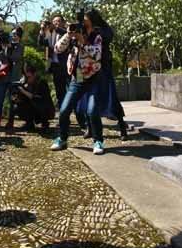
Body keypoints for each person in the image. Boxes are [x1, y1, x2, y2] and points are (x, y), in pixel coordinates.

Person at [50, 11, 106, 155]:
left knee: (92, 111)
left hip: (94, 78)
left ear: (91, 22)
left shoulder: (96, 36)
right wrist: (68, 35)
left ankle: (98, 140)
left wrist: (82, 41)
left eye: (85, 20)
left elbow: (97, 54)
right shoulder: (73, 34)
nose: (82, 23)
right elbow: (57, 49)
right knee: (64, 110)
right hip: (77, 78)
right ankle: (62, 138)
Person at [75, 9, 129, 141]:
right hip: (84, 67)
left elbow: (107, 38)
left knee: (110, 97)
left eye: (86, 18)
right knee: (85, 97)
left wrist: (95, 32)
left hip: (102, 66)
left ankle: (122, 126)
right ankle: (89, 127)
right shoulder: (82, 29)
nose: (84, 20)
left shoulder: (102, 29)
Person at [0, 27, 24, 132]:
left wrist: (9, 48)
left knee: (12, 101)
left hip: (14, 77)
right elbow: (0, 58)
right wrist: (1, 47)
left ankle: (10, 122)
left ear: (19, 36)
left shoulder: (20, 47)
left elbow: (15, 57)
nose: (13, 36)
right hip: (2, 76)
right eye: (12, 34)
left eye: (15, 34)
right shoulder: (5, 45)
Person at [10, 64, 55, 132]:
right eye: (25, 76)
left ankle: (44, 123)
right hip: (32, 109)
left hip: (45, 110)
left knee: (37, 102)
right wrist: (16, 98)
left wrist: (24, 91)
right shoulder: (25, 83)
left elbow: (38, 98)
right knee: (17, 106)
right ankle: (29, 123)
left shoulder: (41, 83)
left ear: (35, 74)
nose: (27, 79)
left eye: (29, 77)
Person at [38, 15, 69, 108]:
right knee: (59, 91)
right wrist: (42, 30)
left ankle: (76, 112)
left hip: (66, 65)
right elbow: (40, 43)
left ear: (63, 23)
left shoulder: (66, 32)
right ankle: (63, 113)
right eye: (54, 22)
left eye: (58, 21)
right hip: (55, 66)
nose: (55, 23)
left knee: (70, 89)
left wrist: (54, 27)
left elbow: (64, 33)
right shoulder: (50, 33)